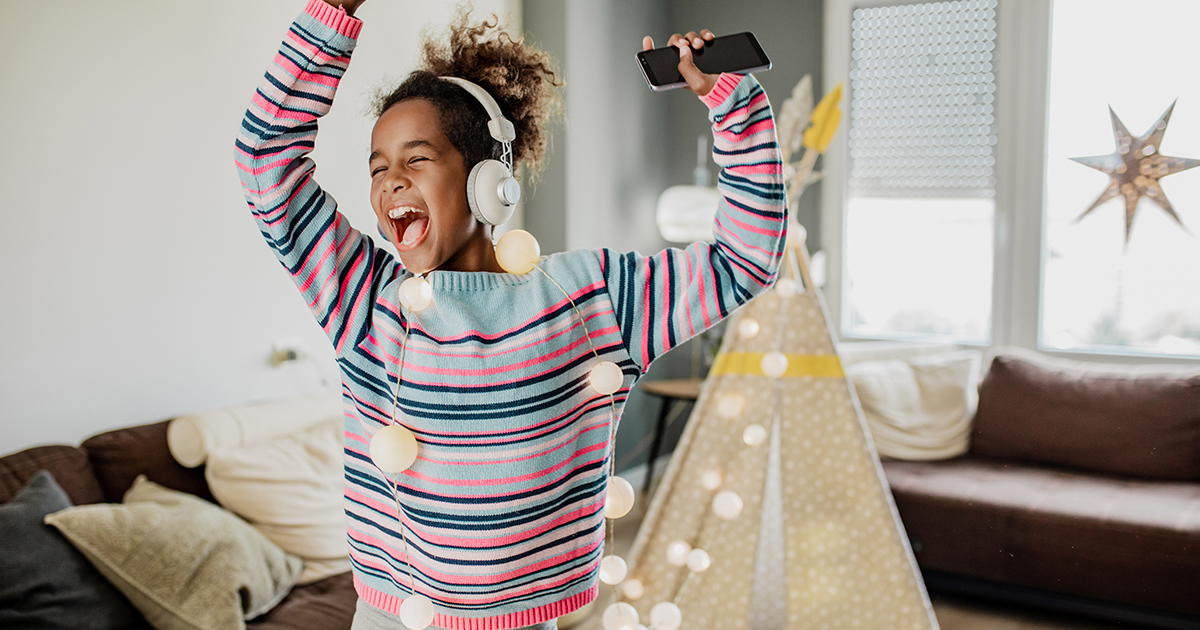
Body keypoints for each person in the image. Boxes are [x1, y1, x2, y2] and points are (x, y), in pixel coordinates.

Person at [234, 1, 787, 628]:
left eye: (416, 159)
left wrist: (734, 108)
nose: (390, 183)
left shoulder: (588, 300)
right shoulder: (361, 299)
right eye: (377, 168)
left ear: (487, 180)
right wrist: (331, 13)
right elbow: (265, 162)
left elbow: (743, 259)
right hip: (395, 617)